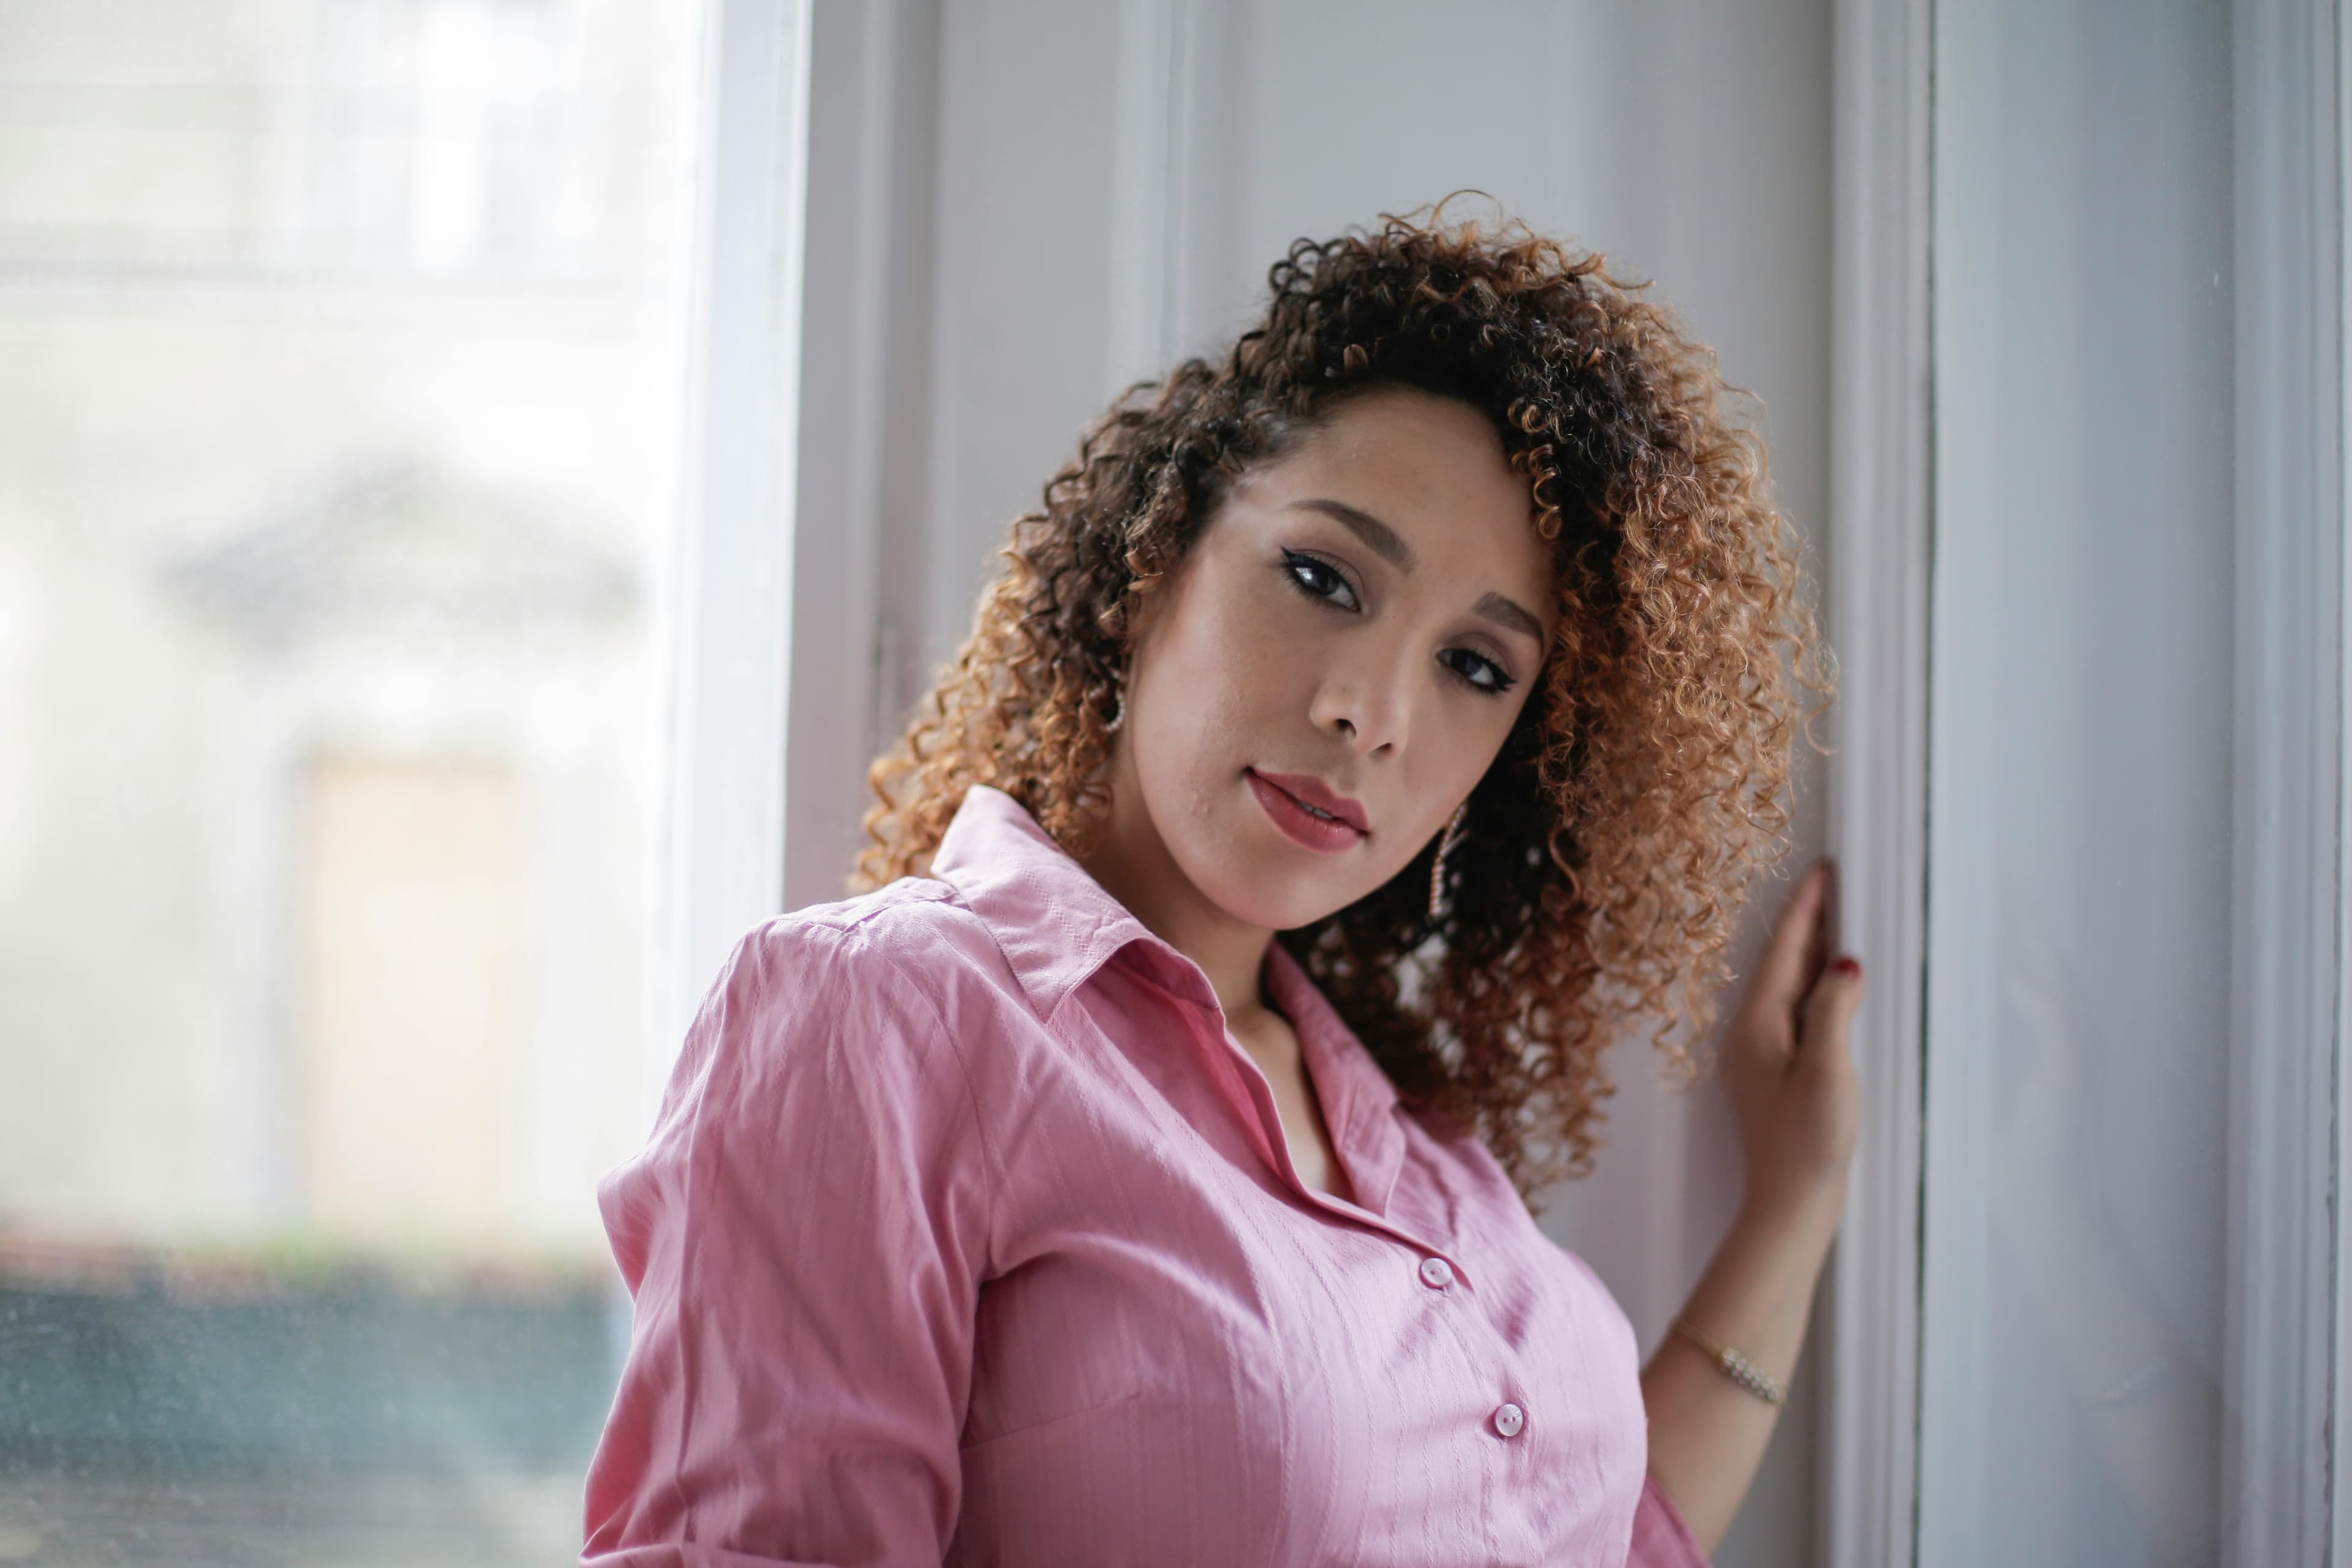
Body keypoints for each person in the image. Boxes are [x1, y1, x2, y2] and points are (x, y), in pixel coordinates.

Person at [578, 205, 1863, 1566]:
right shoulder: (879, 1012)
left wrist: (1797, 1199)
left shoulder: (1420, 1152)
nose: (1371, 712)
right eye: (1323, 576)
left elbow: (1608, 1538)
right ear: (1152, 567)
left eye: (1477, 667)